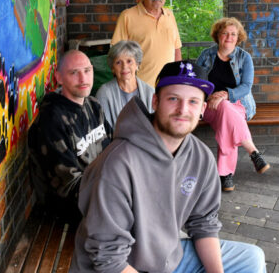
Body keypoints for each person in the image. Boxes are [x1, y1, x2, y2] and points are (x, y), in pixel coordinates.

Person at [70, 61, 267, 273]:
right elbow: (108, 258)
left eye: (193, 101)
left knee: (252, 259)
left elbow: (204, 224)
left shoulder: (200, 157)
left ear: (202, 109)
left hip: (165, 258)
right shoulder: (117, 163)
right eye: (173, 98)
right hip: (116, 267)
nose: (183, 110)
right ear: (155, 101)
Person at [28, 50, 112, 221]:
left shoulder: (93, 105)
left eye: (87, 71)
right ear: (59, 77)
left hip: (101, 192)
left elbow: (113, 151)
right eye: (74, 73)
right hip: (69, 207)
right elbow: (68, 187)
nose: (83, 79)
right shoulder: (52, 120)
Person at [196, 17, 269, 192]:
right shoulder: (206, 55)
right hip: (209, 105)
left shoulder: (245, 58)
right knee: (225, 111)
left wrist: (226, 95)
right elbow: (197, 82)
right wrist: (211, 96)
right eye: (225, 33)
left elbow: (246, 86)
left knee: (226, 111)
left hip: (238, 105)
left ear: (238, 38)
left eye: (233, 34)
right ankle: (252, 152)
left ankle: (226, 175)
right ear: (217, 36)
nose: (229, 37)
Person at [111, 0, 182, 87]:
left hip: (167, 87)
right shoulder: (128, 16)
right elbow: (117, 54)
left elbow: (176, 49)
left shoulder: (170, 15)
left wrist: (178, 78)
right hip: (140, 88)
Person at [96, 40, 155, 128]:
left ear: (137, 65)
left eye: (129, 61)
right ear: (112, 68)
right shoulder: (104, 93)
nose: (124, 67)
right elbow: (103, 131)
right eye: (118, 62)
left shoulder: (150, 92)